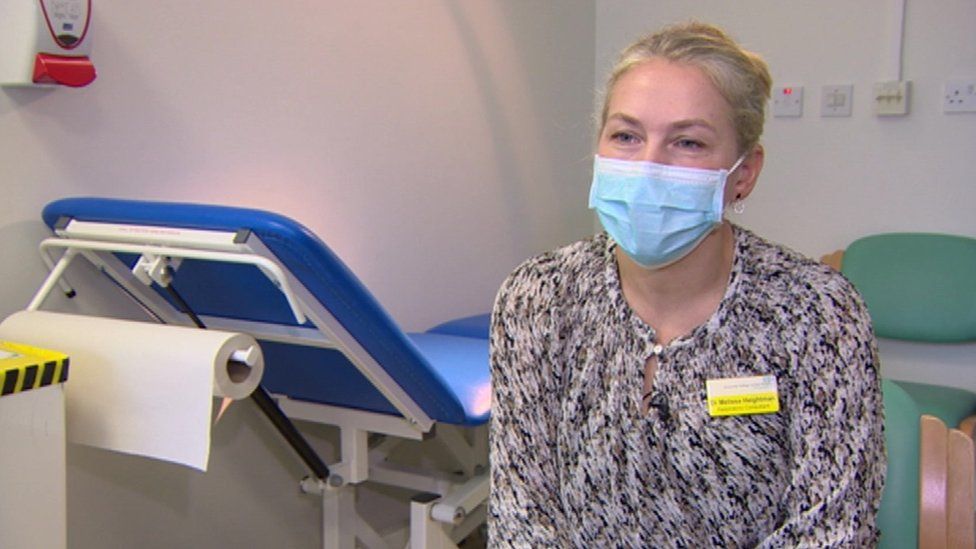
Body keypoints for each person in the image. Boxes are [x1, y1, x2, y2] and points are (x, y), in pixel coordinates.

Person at [488, 21, 885, 547]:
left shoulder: (817, 312)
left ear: (744, 174)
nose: (649, 166)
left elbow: (832, 529)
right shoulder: (536, 298)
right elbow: (521, 518)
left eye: (688, 142)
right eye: (626, 136)